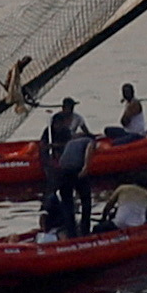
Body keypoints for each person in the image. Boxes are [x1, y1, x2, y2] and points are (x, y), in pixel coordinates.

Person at [43, 97, 95, 234]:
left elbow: (64, 157)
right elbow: (89, 149)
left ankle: (71, 230)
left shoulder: (72, 141)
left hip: (63, 170)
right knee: (85, 200)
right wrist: (86, 168)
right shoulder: (88, 141)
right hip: (75, 169)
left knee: (67, 202)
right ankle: (85, 228)